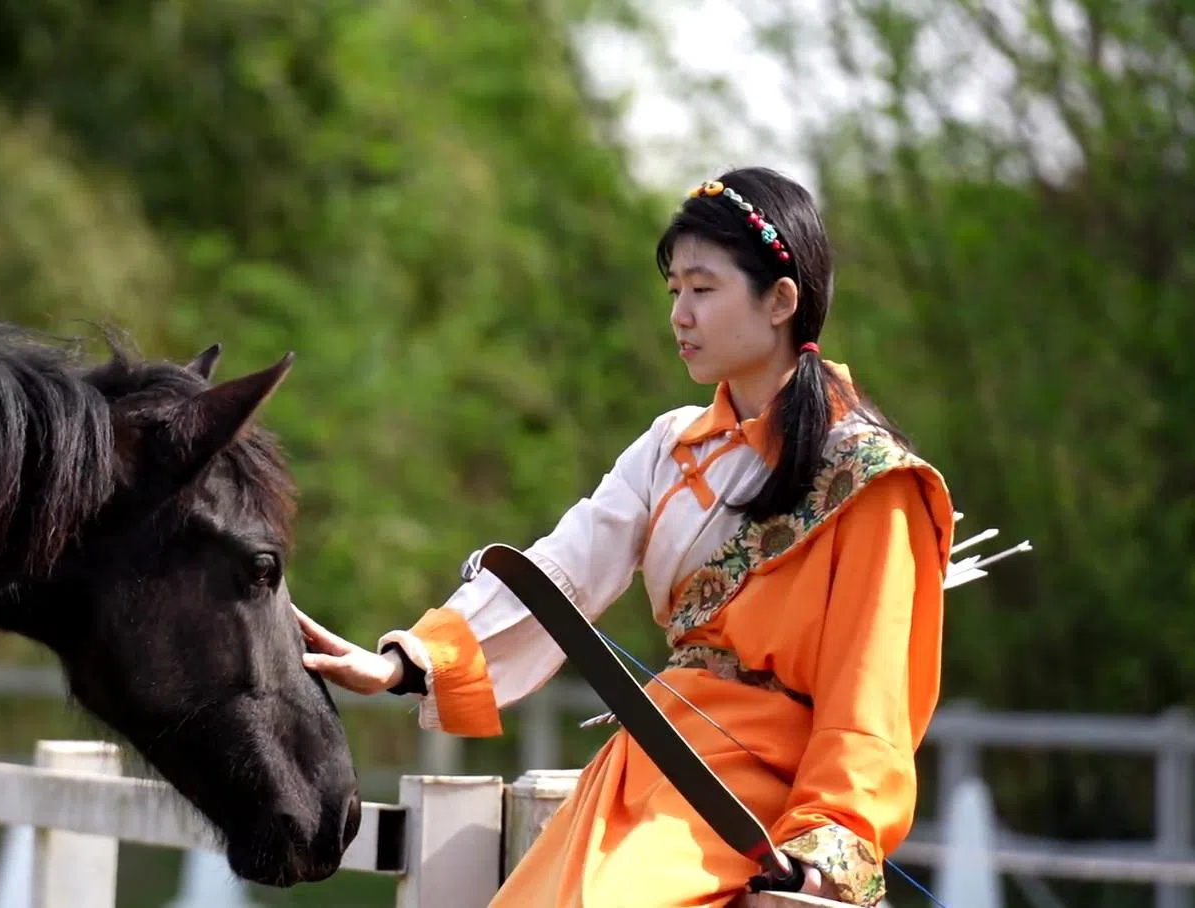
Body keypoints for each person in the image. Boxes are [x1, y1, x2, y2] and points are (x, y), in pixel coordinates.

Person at [296, 166, 953, 908]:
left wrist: (822, 857)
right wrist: (408, 660)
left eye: (703, 289)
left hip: (763, 813)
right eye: (674, 290)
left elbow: (871, 700)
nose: (680, 314)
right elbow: (562, 572)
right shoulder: (671, 446)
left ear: (780, 300)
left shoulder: (873, 477)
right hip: (657, 760)